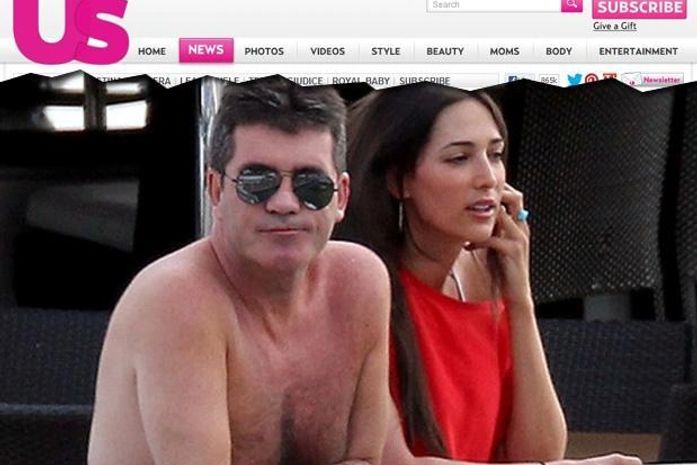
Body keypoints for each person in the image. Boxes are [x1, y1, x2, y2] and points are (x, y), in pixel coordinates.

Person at [88, 76, 391, 465]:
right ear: (216, 190)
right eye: (257, 182)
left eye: (311, 185)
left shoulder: (360, 281)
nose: (284, 203)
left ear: (342, 196)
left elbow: (366, 458)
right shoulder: (177, 298)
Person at [336, 83, 641, 465]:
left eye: (495, 155)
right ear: (400, 180)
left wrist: (520, 299)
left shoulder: (483, 277)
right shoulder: (360, 288)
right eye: (459, 158)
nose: (488, 178)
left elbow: (540, 452)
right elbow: (396, 462)